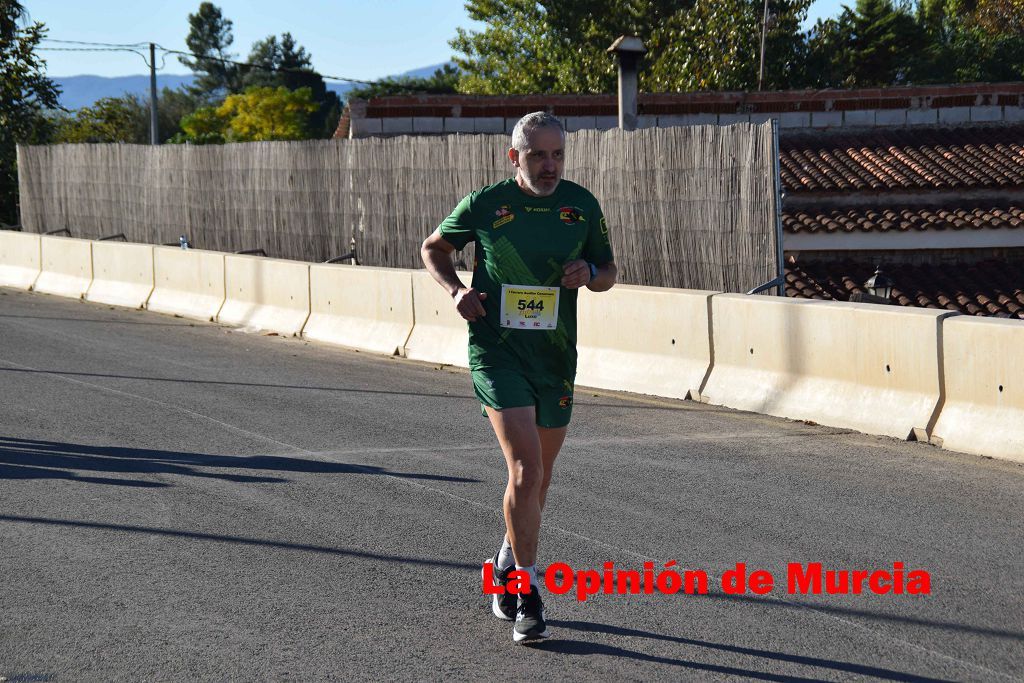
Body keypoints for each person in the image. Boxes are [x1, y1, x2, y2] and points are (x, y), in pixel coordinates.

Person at [421, 111, 617, 643]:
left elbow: (609, 272)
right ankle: (526, 592)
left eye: (557, 154)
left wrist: (590, 274)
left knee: (539, 479)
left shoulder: (581, 206)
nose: (549, 165)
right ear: (515, 158)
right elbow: (433, 248)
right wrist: (457, 290)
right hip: (497, 352)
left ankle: (505, 560)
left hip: (553, 357)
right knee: (527, 469)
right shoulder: (485, 204)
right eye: (537, 155)